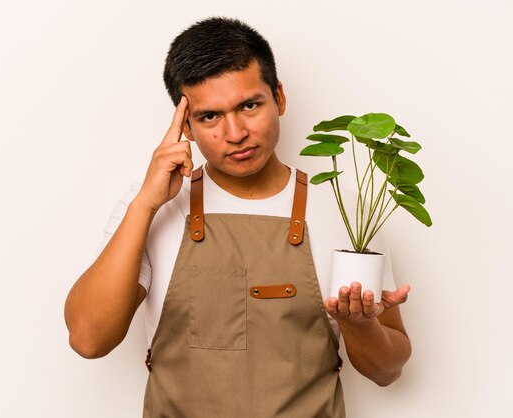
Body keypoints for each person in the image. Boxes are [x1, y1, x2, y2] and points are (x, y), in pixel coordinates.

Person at [64, 17, 411, 417]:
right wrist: (144, 204)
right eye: (210, 116)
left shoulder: (347, 212)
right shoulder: (150, 207)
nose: (235, 133)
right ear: (186, 125)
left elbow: (388, 371)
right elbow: (89, 339)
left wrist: (360, 324)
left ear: (278, 97)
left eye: (249, 105)